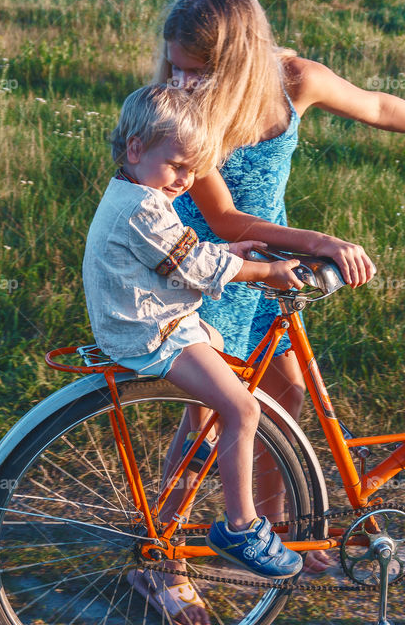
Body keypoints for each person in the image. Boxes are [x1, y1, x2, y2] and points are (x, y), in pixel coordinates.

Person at [153, 0, 405, 587]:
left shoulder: (295, 80)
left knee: (285, 398)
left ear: (239, 63)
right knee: (206, 425)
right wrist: (318, 242)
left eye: (197, 72)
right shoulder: (185, 113)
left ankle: (277, 527)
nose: (183, 83)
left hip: (273, 274)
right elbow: (223, 220)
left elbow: (377, 104)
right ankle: (160, 561)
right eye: (176, 69)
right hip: (214, 271)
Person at [82, 83, 312, 622]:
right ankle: (240, 527)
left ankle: (205, 443)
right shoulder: (143, 207)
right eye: (179, 167)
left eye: (194, 171)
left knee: (220, 349)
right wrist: (264, 270)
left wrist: (229, 250)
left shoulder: (138, 193)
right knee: (245, 407)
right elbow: (192, 267)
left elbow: (178, 256)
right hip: (148, 330)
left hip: (155, 317)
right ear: (136, 149)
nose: (186, 181)